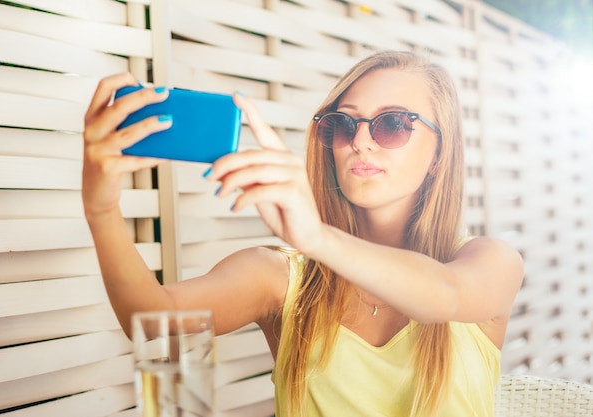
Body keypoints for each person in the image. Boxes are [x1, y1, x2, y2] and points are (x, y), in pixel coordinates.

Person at [82, 51, 524, 416]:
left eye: (393, 124)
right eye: (344, 124)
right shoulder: (282, 277)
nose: (361, 141)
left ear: (439, 152)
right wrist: (101, 208)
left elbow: (443, 296)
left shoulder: (490, 261)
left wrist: (317, 237)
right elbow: (153, 317)